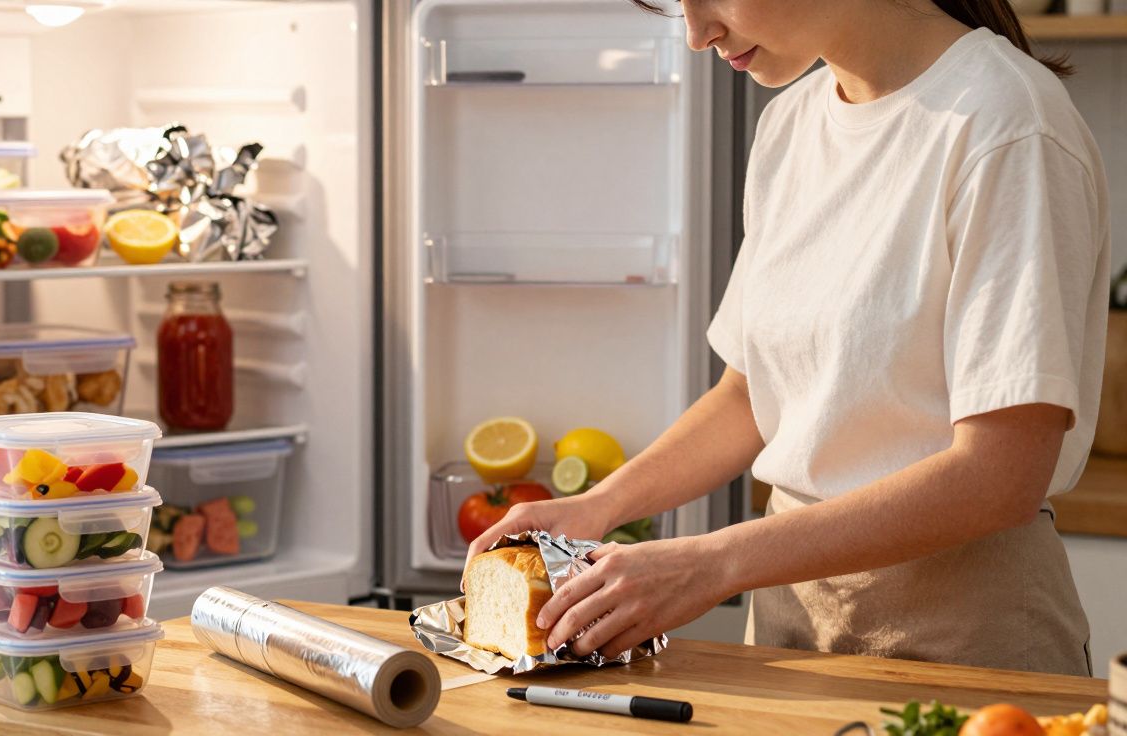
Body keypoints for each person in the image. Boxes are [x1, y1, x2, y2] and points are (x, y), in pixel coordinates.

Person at [464, 0, 1110, 676]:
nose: (696, 33)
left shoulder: (1007, 124)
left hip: (966, 655)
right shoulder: (791, 125)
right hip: (787, 644)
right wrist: (599, 505)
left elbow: (997, 476)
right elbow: (748, 398)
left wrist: (711, 563)